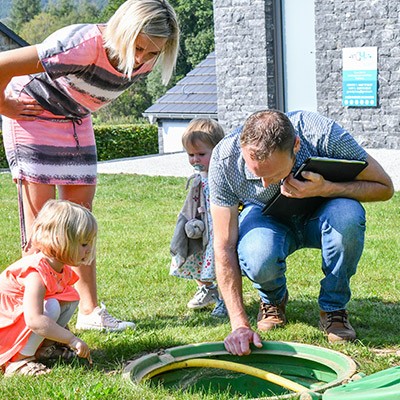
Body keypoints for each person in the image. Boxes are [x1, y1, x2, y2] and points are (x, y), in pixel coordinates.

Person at [0, 0, 179, 331]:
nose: (142, 58)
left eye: (153, 53)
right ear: (123, 32)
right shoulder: (80, 44)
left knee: (81, 219)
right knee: (46, 223)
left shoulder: (148, 59)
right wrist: (6, 106)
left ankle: (89, 311)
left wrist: (146, 56)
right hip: (32, 111)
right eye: (138, 48)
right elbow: (2, 64)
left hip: (74, 117)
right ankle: (32, 318)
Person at [208, 109, 394, 355]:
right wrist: (239, 324)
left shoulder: (323, 133)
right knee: (256, 253)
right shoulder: (224, 159)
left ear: (296, 145)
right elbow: (223, 245)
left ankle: (333, 309)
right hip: (266, 216)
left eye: (273, 174)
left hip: (324, 211)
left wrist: (326, 188)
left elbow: (384, 188)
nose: (265, 184)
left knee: (348, 216)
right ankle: (272, 301)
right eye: (257, 175)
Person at [0, 200, 95, 376]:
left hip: (19, 322)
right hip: (5, 329)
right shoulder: (35, 273)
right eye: (83, 244)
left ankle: (44, 348)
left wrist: (62, 336)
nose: (89, 250)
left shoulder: (60, 269)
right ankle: (18, 361)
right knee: (50, 306)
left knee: (69, 298)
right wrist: (71, 340)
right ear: (60, 240)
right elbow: (34, 319)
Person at [170, 118, 228, 317]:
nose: (195, 159)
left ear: (218, 150)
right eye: (191, 155)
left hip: (218, 228)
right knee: (195, 256)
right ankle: (207, 289)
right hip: (200, 226)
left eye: (201, 154)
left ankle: (225, 298)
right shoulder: (198, 177)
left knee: (220, 262)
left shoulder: (221, 175)